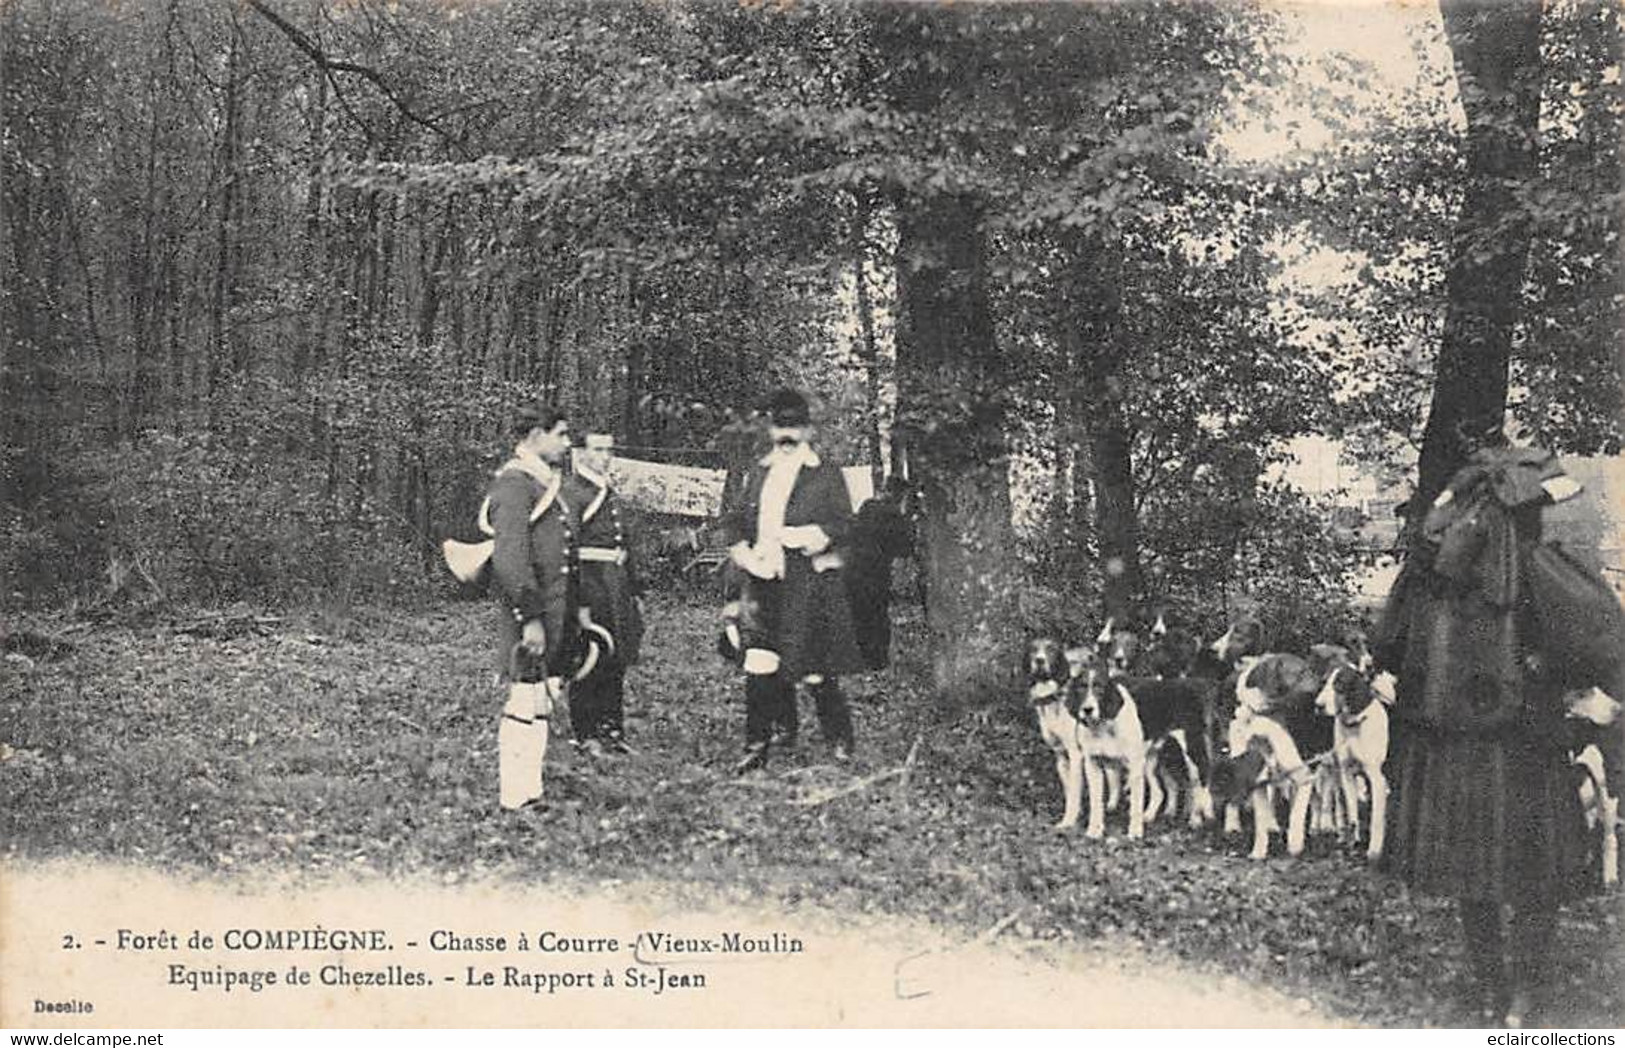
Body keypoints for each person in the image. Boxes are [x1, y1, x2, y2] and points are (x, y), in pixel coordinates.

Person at [1375, 441, 1625, 1026]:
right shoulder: (1543, 571)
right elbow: (1602, 642)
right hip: (1524, 744)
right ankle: (1519, 995)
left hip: (1469, 745)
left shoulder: (1437, 578)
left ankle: (1499, 990)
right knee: (1530, 871)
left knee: (1476, 870)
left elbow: (1392, 649)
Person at [720, 388, 866, 772]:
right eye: (780, 427)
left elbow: (845, 525)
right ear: (770, 429)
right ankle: (757, 744)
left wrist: (812, 536)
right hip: (764, 581)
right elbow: (734, 520)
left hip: (809, 584)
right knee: (759, 660)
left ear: (807, 431)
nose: (786, 436)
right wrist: (744, 555)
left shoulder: (825, 473)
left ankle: (839, 739)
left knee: (815, 667)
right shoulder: (759, 471)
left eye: (794, 428)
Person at [486, 403, 582, 810]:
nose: (565, 443)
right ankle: (514, 796)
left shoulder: (545, 483)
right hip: (530, 615)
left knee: (540, 699)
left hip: (553, 612)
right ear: (535, 435)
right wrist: (531, 619)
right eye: (559, 434)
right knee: (523, 702)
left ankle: (532, 791)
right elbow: (511, 559)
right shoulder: (514, 484)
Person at [562, 431, 645, 756]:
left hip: (615, 586)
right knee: (590, 656)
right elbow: (567, 553)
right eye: (598, 449)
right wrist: (579, 601)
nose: (605, 456)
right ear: (581, 453)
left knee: (616, 658)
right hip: (590, 584)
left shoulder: (606, 491)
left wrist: (634, 589)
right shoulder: (572, 492)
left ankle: (612, 729)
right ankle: (587, 733)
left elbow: (623, 545)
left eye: (609, 449)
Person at [847, 474, 914, 671]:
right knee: (877, 617)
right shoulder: (896, 517)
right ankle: (876, 662)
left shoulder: (868, 506)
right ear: (900, 495)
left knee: (860, 615)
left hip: (854, 570)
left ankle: (859, 659)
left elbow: (853, 530)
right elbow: (904, 549)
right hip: (877, 574)